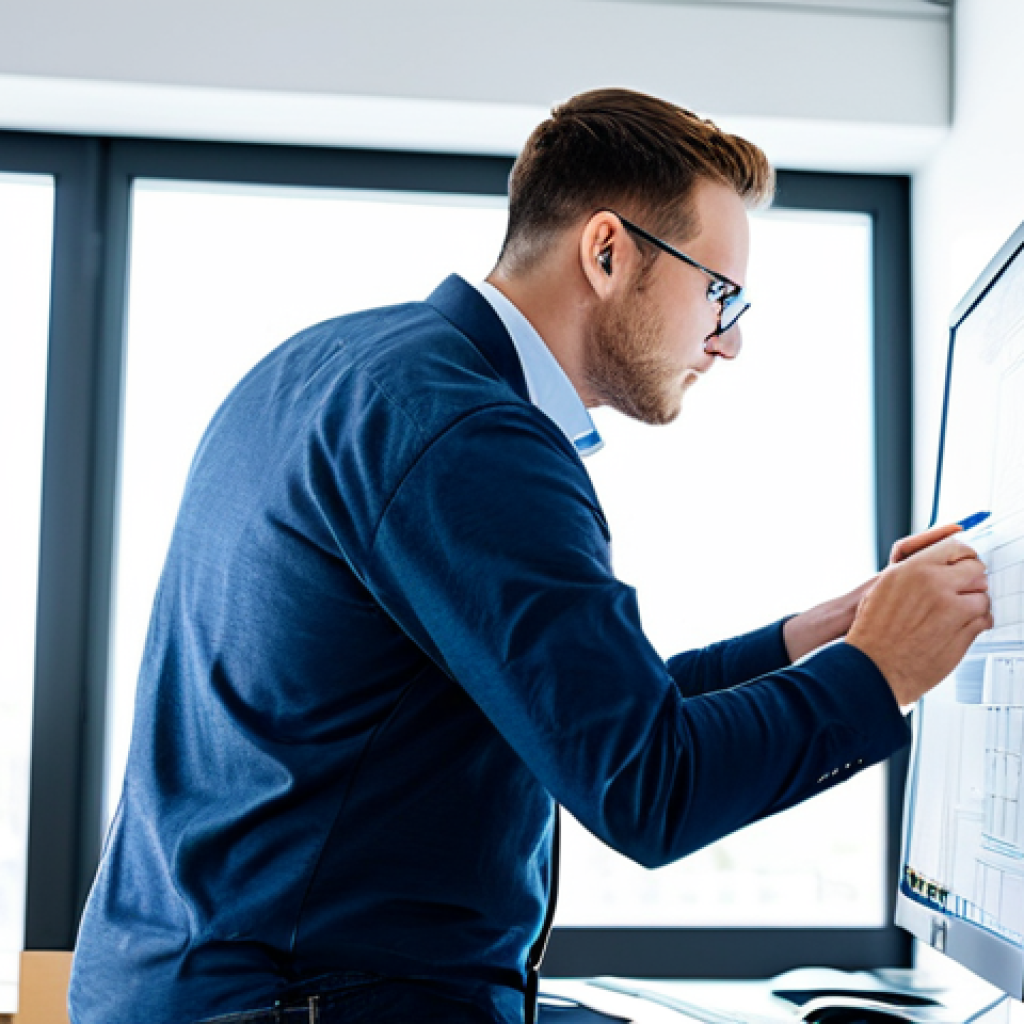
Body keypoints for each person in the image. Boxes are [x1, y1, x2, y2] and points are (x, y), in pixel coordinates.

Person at [69, 88, 992, 1024]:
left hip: (197, 986)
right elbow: (648, 788)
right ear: (607, 251)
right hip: (299, 1002)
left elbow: (590, 716)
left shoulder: (345, 366)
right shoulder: (470, 436)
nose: (730, 341)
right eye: (719, 292)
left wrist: (812, 639)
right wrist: (880, 673)